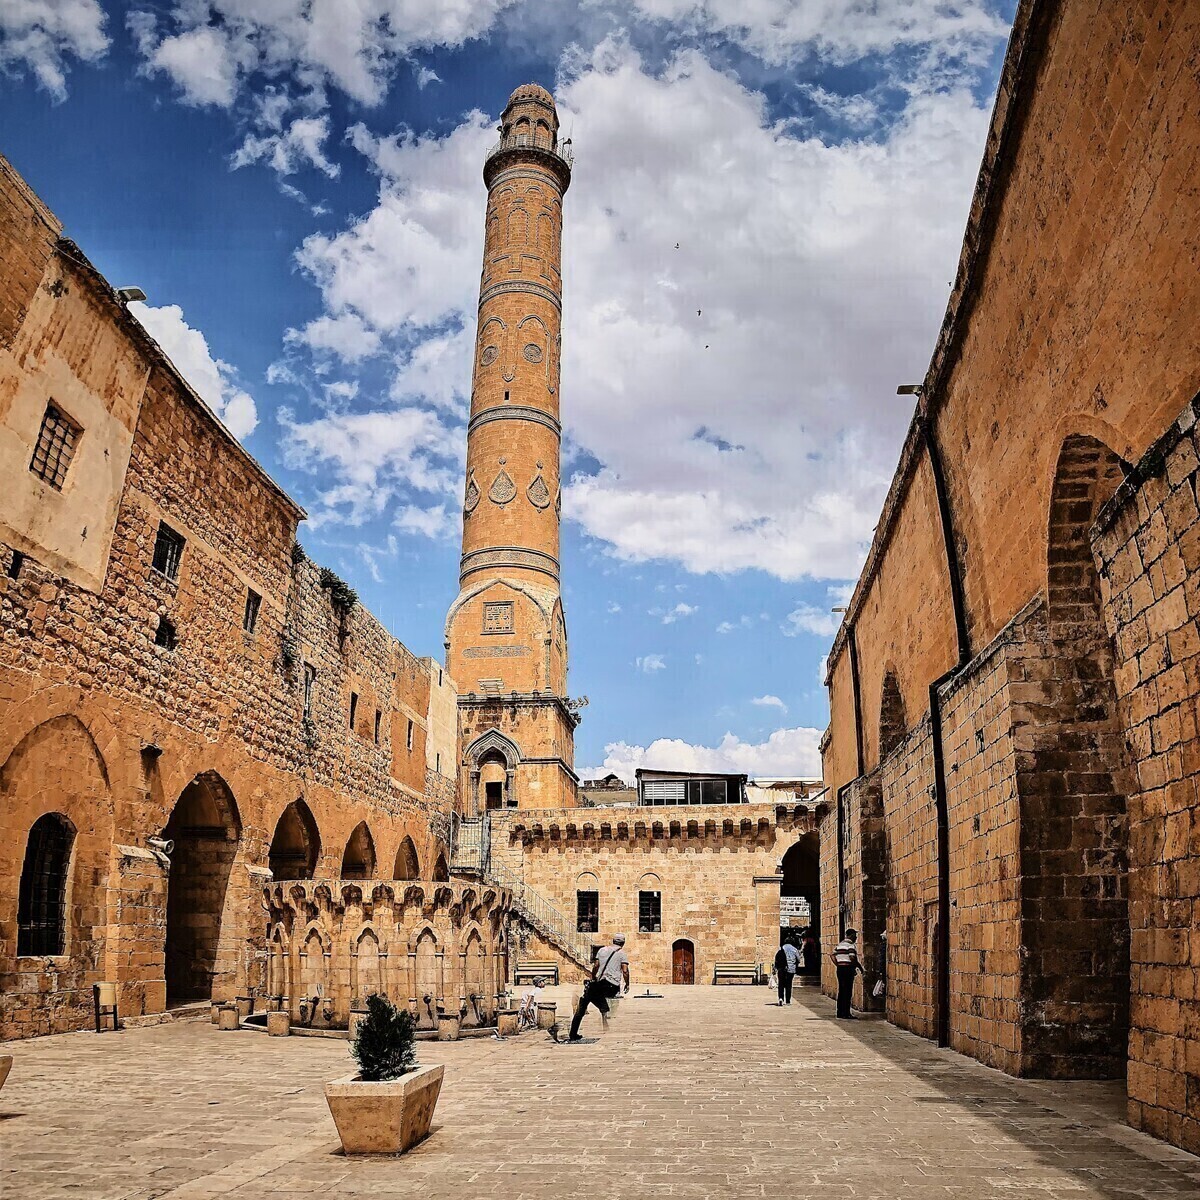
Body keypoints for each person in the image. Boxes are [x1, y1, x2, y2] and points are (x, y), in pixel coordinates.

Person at [564, 933, 629, 1042]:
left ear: (613, 941)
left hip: (600, 983)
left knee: (584, 1001)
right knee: (587, 997)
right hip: (612, 986)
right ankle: (603, 1012)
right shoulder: (622, 953)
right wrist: (627, 984)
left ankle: (573, 1033)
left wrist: (594, 978)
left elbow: (596, 966)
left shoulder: (602, 950)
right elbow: (625, 971)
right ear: (623, 943)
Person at [833, 929, 864, 1019]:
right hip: (847, 969)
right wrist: (858, 966)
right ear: (850, 935)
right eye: (855, 935)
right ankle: (846, 1013)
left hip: (840, 969)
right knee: (847, 991)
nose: (856, 938)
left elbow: (832, 955)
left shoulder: (840, 945)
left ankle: (840, 1012)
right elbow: (852, 957)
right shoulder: (851, 945)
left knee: (841, 990)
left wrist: (838, 964)